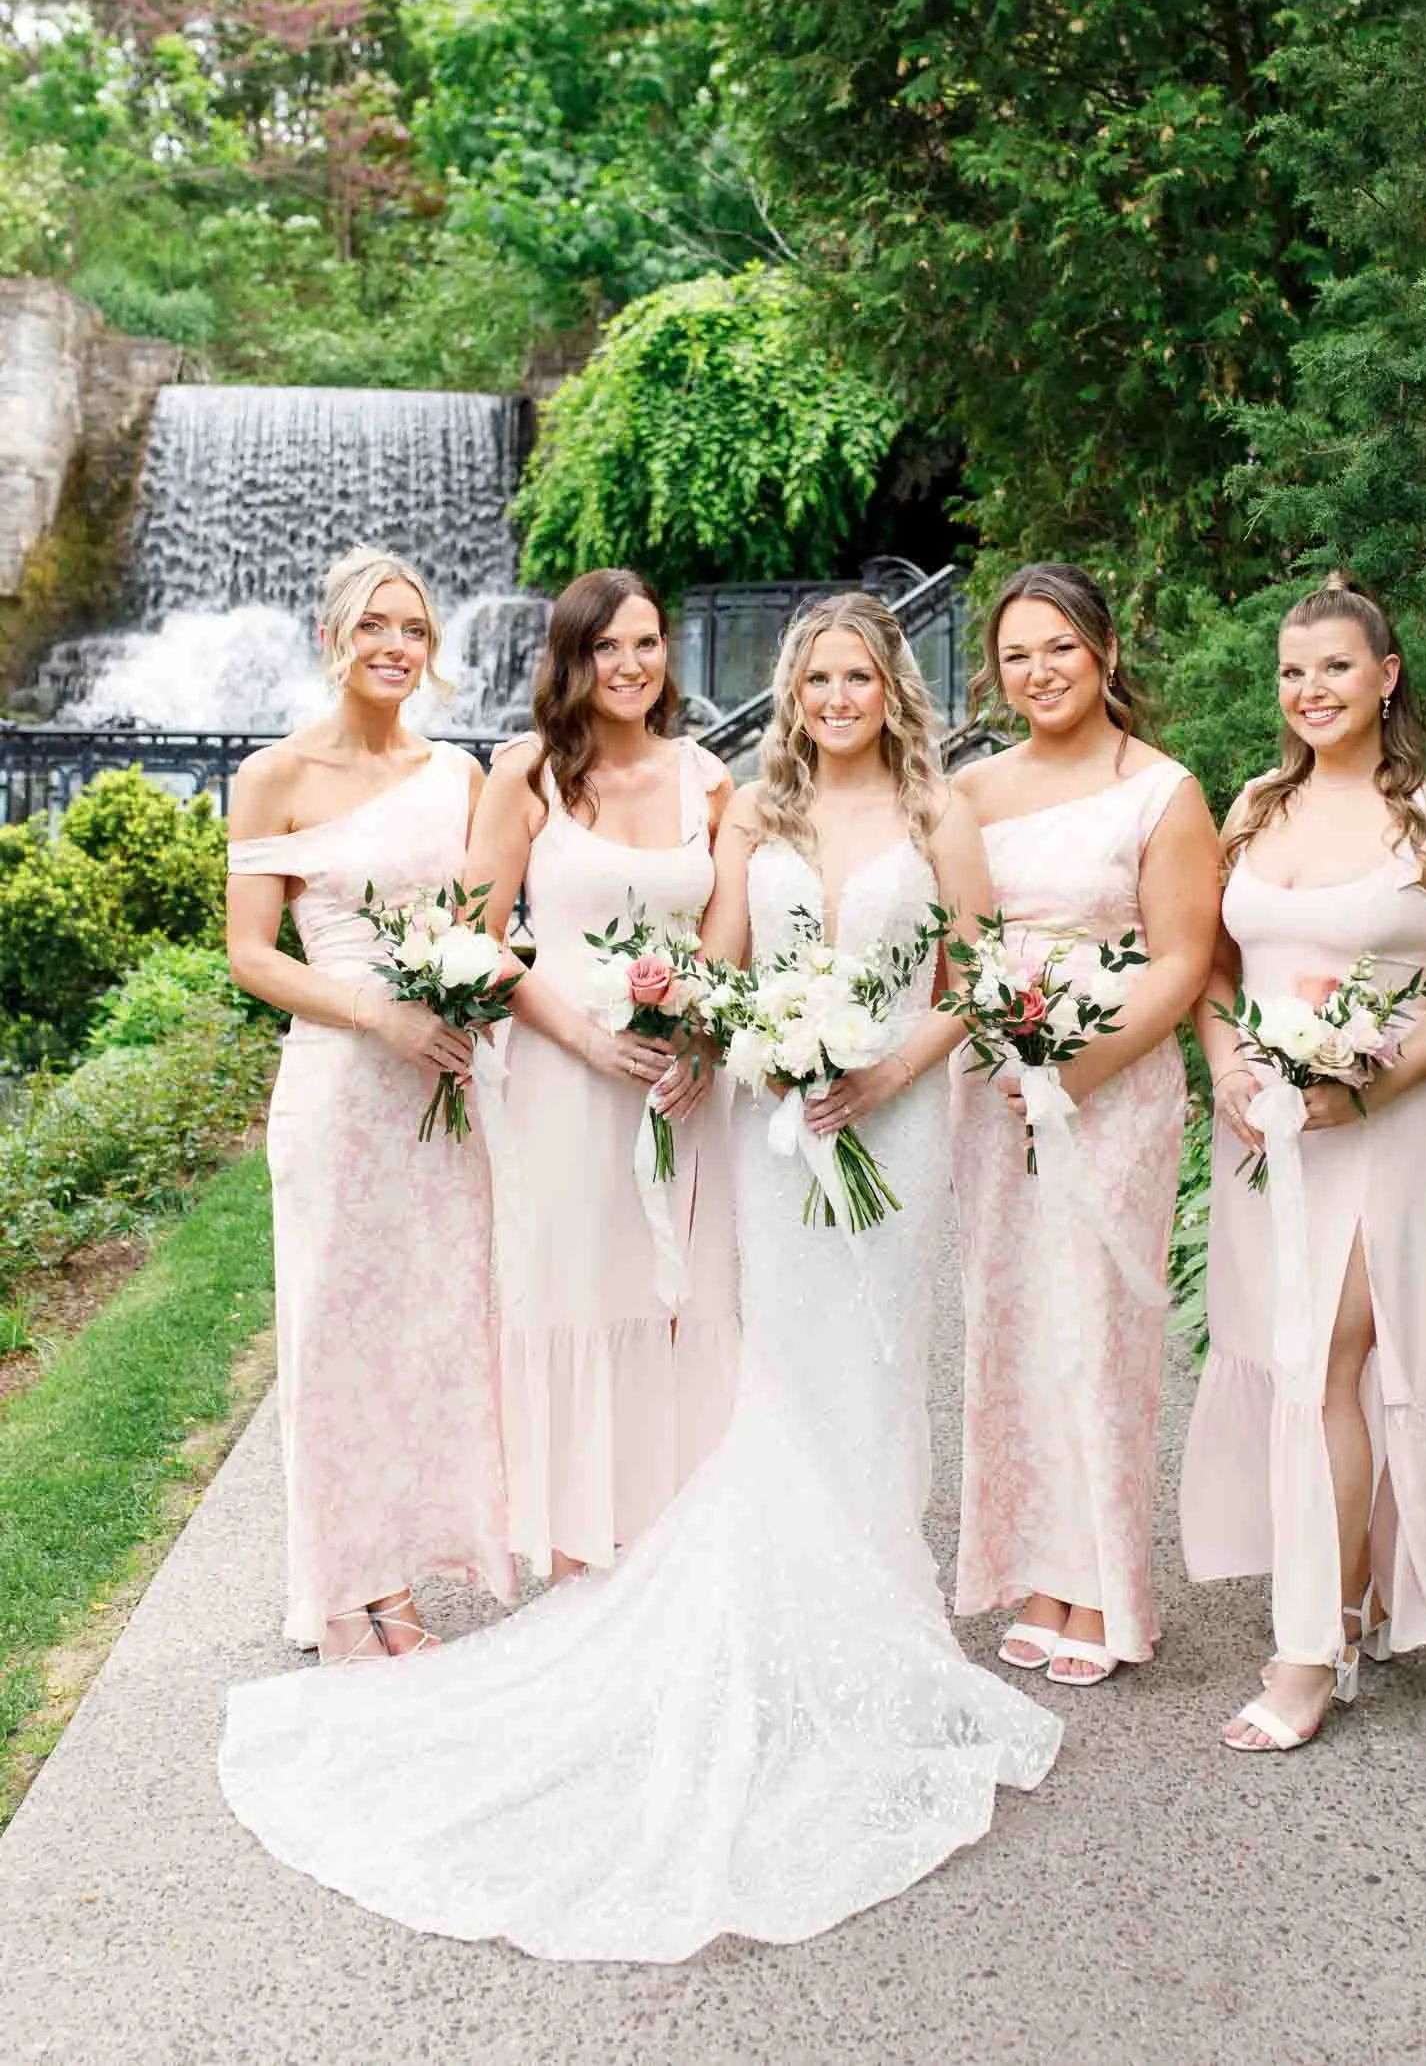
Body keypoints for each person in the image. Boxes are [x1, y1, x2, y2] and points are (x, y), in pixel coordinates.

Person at [219, 592, 1059, 1961]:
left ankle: (873, 1606)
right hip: (748, 1108)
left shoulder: (888, 805)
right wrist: (727, 1031)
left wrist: (852, 1055)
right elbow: (703, 954)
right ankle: (736, 1601)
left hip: (870, 1108)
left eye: (860, 675)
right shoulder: (745, 801)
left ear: (888, 686)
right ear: (791, 692)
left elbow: (959, 967)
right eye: (818, 677)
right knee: (772, 1348)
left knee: (877, 1352)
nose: (838, 696)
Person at [1181, 573, 1426, 1752]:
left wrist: (1365, 1078)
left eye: (1334, 666)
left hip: (1381, 1127)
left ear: (1385, 676)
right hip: (1267, 1135)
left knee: (1331, 1353)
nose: (1310, 689)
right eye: (1291, 671)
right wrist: (1227, 1063)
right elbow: (1213, 971)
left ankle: (1306, 1653)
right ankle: (1352, 1589)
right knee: (1297, 1365)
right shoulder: (1256, 806)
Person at [225, 544, 513, 1666]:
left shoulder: (461, 776)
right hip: (342, 1088)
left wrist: (471, 997)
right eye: (375, 626)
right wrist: (375, 1013)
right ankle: (357, 1590)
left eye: (415, 629)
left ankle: (420, 1552)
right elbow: (251, 953)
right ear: (330, 635)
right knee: (337, 1332)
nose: (396, 646)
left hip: (444, 1088)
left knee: (434, 1329)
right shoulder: (275, 775)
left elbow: (485, 927)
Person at [952, 563, 1220, 1683]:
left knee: (1099, 1324)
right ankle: (1037, 1566)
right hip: (1001, 1087)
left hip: (1115, 1087)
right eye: (1018, 653)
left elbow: (1183, 958)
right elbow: (961, 950)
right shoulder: (971, 792)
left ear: (1105, 650)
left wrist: (1087, 1061)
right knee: (1013, 1321)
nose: (1040, 670)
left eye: (1059, 645)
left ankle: (1102, 1580)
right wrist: (1006, 1046)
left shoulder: (1164, 791)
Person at [464, 567, 737, 1577]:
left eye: (647, 643)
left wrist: (701, 1039)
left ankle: (676, 1545)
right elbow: (476, 941)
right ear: (571, 659)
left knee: (678, 1299)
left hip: (680, 1085)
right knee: (578, 1293)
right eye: (604, 646)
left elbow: (727, 934)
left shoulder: (710, 781)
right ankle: (582, 1551)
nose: (628, 664)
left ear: (669, 654)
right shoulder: (524, 775)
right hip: (567, 1081)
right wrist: (584, 1037)